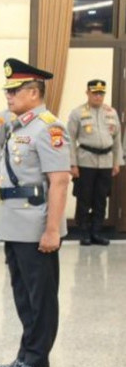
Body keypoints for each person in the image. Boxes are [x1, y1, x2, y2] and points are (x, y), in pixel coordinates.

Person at [0, 58, 70, 367]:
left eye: (14, 91)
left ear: (34, 93)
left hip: (37, 225)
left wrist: (52, 230)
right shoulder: (19, 126)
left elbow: (60, 181)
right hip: (15, 224)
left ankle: (37, 362)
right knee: (23, 294)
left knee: (41, 297)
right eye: (7, 91)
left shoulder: (49, 128)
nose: (8, 96)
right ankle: (26, 356)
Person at [67, 79, 123, 246]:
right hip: (85, 161)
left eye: (101, 93)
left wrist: (116, 162)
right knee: (84, 198)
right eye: (95, 93)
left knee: (101, 199)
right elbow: (70, 140)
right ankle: (83, 232)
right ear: (88, 93)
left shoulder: (111, 113)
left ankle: (96, 232)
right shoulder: (77, 113)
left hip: (106, 162)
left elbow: (117, 139)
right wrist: (72, 164)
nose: (98, 96)